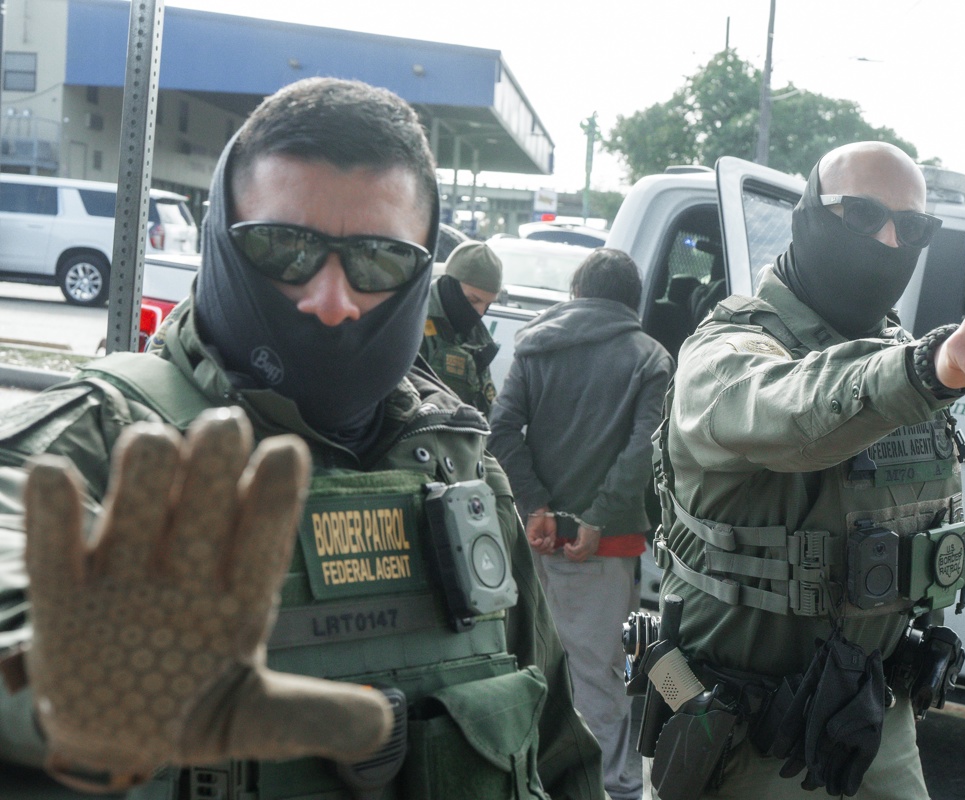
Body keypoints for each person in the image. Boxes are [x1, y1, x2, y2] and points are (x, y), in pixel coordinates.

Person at [0, 77, 602, 800]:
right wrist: (74, 681)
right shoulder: (92, 443)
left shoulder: (460, 463)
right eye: (284, 248)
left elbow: (561, 755)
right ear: (223, 239)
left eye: (379, 260)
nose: (330, 299)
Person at [650, 141, 965, 799]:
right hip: (746, 741)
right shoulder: (729, 351)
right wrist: (930, 365)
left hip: (872, 720)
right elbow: (791, 409)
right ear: (806, 217)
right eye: (859, 215)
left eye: (911, 229)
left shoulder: (893, 354)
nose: (889, 240)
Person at [488, 248, 673, 800]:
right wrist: (597, 520)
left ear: (577, 293)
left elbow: (501, 433)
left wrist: (536, 507)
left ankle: (531, 780)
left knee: (526, 664)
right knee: (596, 675)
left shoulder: (534, 346)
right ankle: (612, 790)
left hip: (532, 542)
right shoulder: (650, 358)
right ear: (631, 300)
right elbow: (644, 451)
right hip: (602, 548)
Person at [420, 241, 503, 415]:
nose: (480, 312)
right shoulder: (414, 321)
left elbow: (485, 403)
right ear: (451, 286)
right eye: (474, 300)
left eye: (488, 304)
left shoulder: (477, 338)